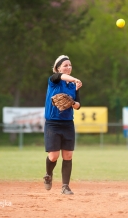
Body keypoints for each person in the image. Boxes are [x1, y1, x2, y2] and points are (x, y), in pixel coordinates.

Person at [43, 55, 82, 195]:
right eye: (65, 65)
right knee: (53, 156)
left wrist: (72, 102)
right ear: (58, 68)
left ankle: (65, 186)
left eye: (70, 65)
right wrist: (75, 79)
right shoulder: (53, 80)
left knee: (68, 155)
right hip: (52, 124)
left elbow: (78, 106)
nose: (68, 67)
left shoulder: (73, 86)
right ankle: (48, 175)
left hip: (67, 124)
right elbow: (61, 77)